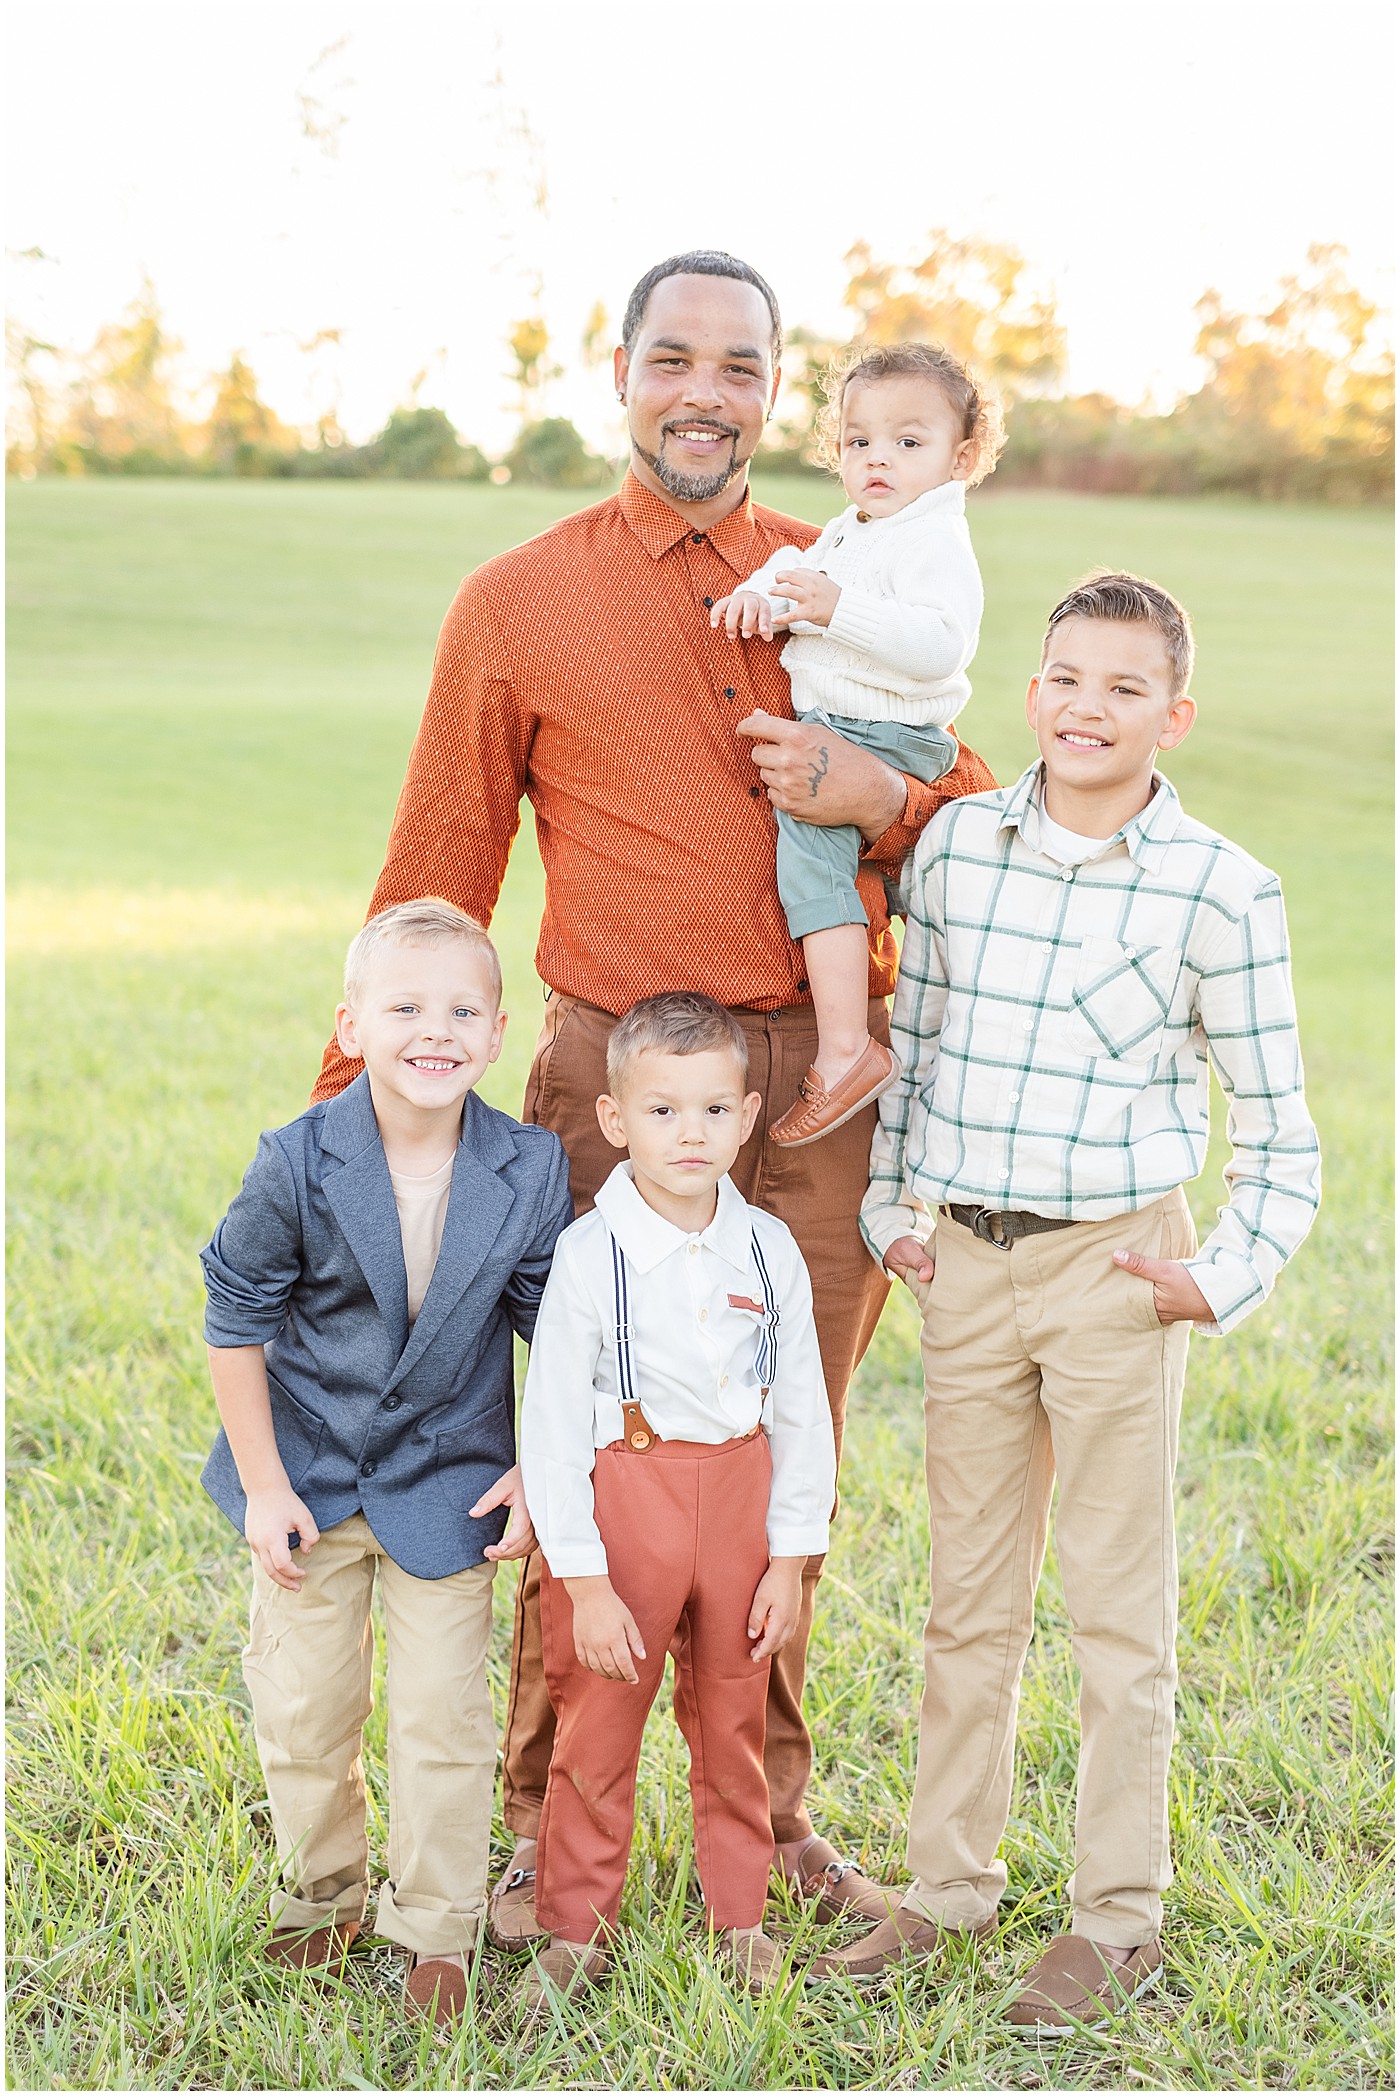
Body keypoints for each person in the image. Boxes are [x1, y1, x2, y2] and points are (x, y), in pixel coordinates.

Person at [309, 248, 998, 1942]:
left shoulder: (846, 569)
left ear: (781, 394)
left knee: (775, 1468)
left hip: (820, 1097)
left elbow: (972, 798)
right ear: (620, 375)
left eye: (742, 367)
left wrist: (876, 802)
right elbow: (438, 867)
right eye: (673, 358)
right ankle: (554, 1824)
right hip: (600, 1094)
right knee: (590, 1468)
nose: (707, 391)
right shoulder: (516, 599)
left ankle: (768, 1815)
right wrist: (344, 1129)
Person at [831, 573, 1321, 2029]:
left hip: (1118, 1269)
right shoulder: (958, 855)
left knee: (1117, 1611)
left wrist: (1213, 1275)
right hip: (966, 1268)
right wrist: (891, 1208)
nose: (1088, 708)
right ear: (1027, 694)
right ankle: (945, 1891)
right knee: (963, 1605)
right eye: (1065, 678)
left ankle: (1116, 1920)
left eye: (1124, 687)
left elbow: (1284, 1136)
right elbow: (913, 1055)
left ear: (1173, 715)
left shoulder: (1224, 891)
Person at [200, 900, 573, 2027]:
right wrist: (265, 1484)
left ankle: (437, 1924)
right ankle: (322, 1895)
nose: (434, 1029)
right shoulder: (299, 1160)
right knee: (306, 1706)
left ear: (499, 1030)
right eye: (404, 1006)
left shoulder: (528, 1162)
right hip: (305, 1477)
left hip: (448, 1481)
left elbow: (550, 1328)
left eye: (461, 1008)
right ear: (351, 1022)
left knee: (440, 1719)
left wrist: (543, 1469)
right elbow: (235, 1319)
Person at [517, 993, 837, 2008]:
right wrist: (586, 1578)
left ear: (746, 1116)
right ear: (614, 1120)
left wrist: (788, 1558)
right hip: (628, 1502)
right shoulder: (587, 1255)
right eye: (660, 1111)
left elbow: (800, 1412)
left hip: (740, 1498)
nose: (687, 1133)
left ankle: (738, 1914)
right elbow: (555, 1429)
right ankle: (572, 1927)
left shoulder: (767, 1248)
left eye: (709, 1110)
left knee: (732, 1715)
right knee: (597, 1725)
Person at [711, 342, 1002, 1148]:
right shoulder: (859, 529)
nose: (879, 460)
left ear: (961, 458)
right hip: (849, 728)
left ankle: (846, 1050)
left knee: (811, 860)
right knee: (849, 871)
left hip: (888, 738)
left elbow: (940, 645)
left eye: (909, 443)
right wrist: (760, 600)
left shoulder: (933, 538)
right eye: (859, 441)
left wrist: (836, 609)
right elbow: (793, 571)